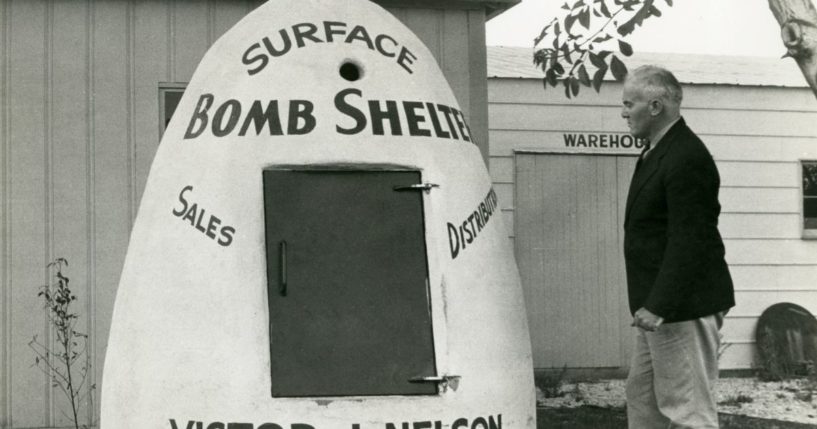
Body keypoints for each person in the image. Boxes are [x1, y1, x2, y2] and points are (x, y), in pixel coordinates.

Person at [621, 65, 735, 428]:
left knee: (689, 411)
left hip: (681, 307)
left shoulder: (686, 157)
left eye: (629, 103)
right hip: (659, 308)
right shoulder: (658, 151)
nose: (623, 113)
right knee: (643, 402)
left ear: (655, 106)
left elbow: (692, 239)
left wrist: (659, 305)